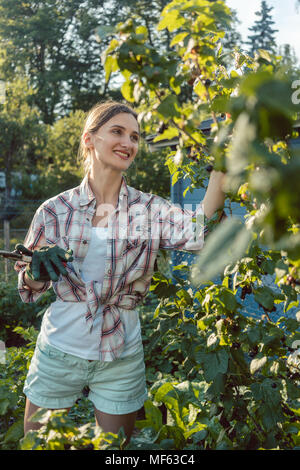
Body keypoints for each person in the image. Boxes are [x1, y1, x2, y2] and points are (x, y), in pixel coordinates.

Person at [14, 100, 226, 444]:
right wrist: (38, 272)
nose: (128, 143)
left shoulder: (148, 209)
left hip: (121, 351)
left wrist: (222, 168)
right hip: (59, 349)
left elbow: (196, 231)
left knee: (117, 451)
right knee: (37, 444)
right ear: (89, 139)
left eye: (135, 136)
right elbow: (27, 287)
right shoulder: (54, 211)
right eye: (117, 132)